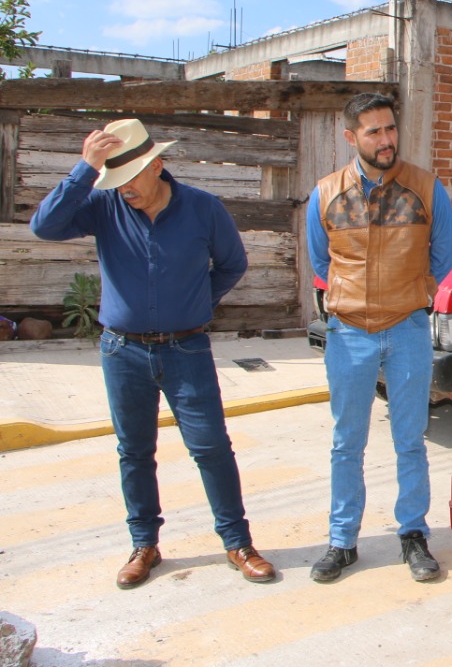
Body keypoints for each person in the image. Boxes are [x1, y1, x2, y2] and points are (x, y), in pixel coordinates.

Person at [30, 118, 276, 589]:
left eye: (128, 178)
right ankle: (144, 545)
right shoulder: (102, 205)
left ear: (157, 165)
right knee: (135, 452)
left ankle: (238, 542)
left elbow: (233, 263)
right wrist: (85, 170)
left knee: (211, 448)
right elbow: (45, 226)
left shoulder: (203, 208)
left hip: (188, 349)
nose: (122, 189)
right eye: (113, 179)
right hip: (121, 351)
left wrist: (196, 302)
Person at [306, 93, 452, 584]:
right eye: (373, 131)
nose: (386, 139)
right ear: (351, 138)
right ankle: (342, 541)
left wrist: (410, 292)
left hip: (408, 329)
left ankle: (413, 534)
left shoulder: (427, 189)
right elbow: (320, 262)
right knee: (346, 442)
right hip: (348, 334)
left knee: (410, 439)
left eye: (390, 128)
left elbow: (444, 256)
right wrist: (354, 300)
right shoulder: (325, 193)